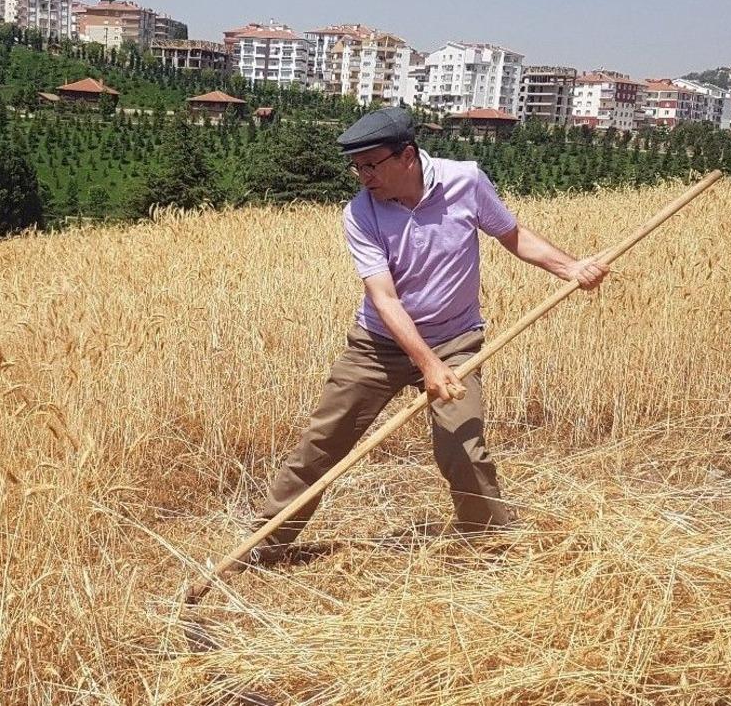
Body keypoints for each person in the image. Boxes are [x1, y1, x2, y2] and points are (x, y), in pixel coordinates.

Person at [250, 106, 609, 563]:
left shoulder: (466, 181)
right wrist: (427, 364)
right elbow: (385, 298)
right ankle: (265, 543)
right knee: (324, 442)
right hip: (378, 345)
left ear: (407, 156)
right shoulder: (361, 213)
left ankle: (489, 544)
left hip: (456, 340)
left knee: (463, 447)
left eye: (371, 165)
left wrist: (570, 267)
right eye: (356, 167)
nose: (363, 176)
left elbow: (512, 234)